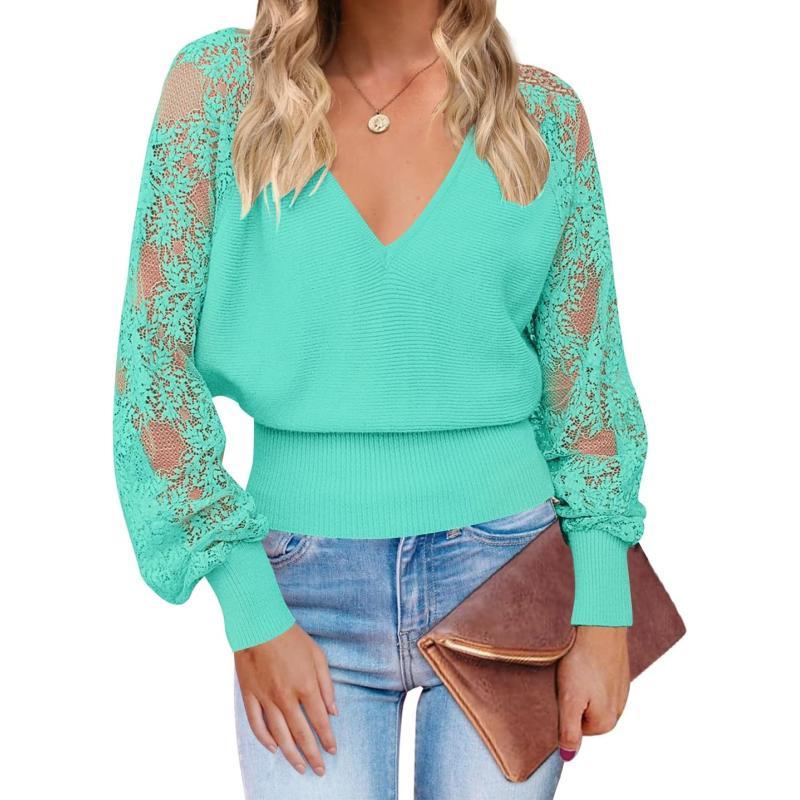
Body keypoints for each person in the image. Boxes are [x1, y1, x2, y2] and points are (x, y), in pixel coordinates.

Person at [112, 1, 648, 797]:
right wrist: (250, 607)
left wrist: (604, 605)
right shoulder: (221, 91)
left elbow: (588, 386)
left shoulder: (543, 118)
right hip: (301, 591)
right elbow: (152, 375)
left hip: (509, 576)